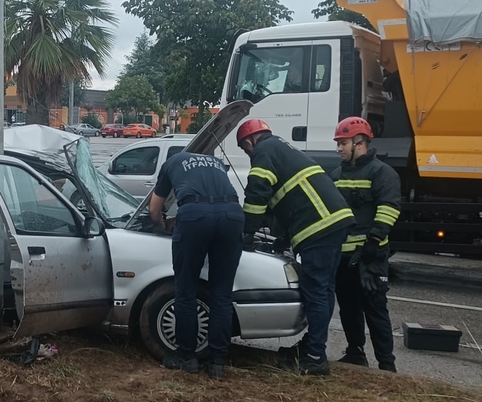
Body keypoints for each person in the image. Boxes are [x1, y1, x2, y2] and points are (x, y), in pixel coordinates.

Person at [237, 119, 354, 376]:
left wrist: (246, 231)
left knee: (316, 291)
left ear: (248, 142)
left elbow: (257, 193)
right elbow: (288, 196)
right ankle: (314, 346)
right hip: (333, 223)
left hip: (319, 227)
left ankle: (314, 357)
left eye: (246, 152)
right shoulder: (282, 148)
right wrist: (283, 236)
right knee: (324, 290)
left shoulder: (263, 151)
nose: (249, 156)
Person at [149, 151, 244, 380]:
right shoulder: (216, 163)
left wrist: (163, 225)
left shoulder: (170, 164)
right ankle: (217, 363)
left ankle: (186, 356)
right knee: (222, 293)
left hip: (194, 217)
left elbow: (154, 209)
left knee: (186, 290)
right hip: (232, 216)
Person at [330, 117, 401, 372]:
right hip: (344, 257)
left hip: (370, 256)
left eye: (343, 143)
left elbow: (389, 207)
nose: (338, 148)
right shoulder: (337, 174)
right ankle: (355, 353)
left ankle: (387, 365)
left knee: (375, 310)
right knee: (348, 308)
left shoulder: (382, 173)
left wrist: (373, 241)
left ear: (359, 143)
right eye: (338, 143)